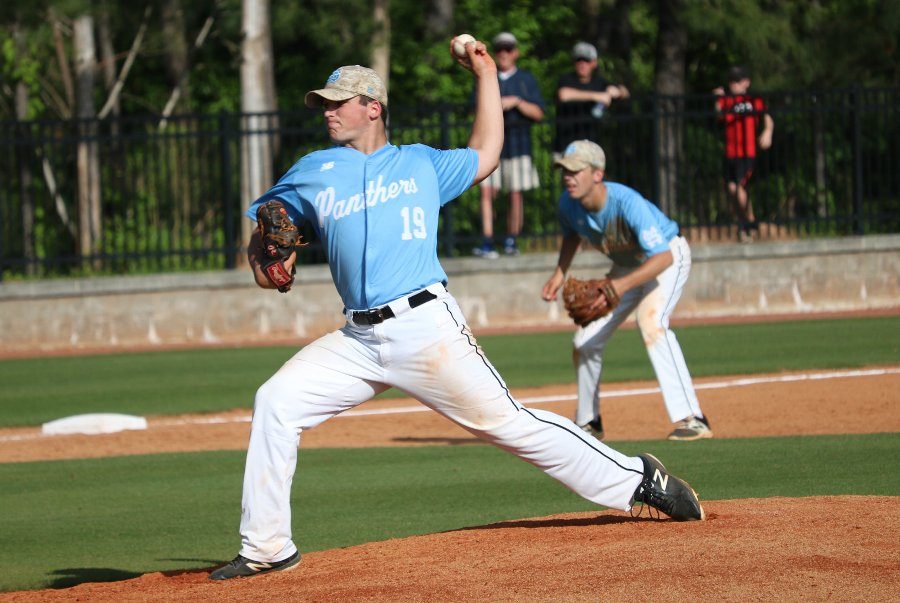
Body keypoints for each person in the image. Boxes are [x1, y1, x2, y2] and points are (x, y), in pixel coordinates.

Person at [209, 42, 704, 582]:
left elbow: (488, 151)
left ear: (373, 107)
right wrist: (267, 259)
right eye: (324, 103)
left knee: (509, 424)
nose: (327, 110)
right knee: (276, 401)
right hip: (357, 339)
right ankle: (267, 546)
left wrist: (487, 73)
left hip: (427, 329)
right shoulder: (313, 170)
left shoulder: (421, 163)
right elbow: (264, 243)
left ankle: (637, 480)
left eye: (338, 101)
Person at [541, 140, 712, 443]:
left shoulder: (625, 202)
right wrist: (559, 272)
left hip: (667, 255)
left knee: (652, 323)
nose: (568, 177)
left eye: (575, 171)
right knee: (585, 341)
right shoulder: (567, 204)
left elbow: (663, 257)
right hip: (627, 267)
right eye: (564, 171)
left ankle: (694, 419)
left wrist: (616, 287)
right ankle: (588, 423)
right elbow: (571, 236)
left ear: (597, 174)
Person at [473, 32, 545, 259]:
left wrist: (517, 102)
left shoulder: (525, 79)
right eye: (500, 49)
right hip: (490, 146)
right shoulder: (485, 77)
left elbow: (539, 113)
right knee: (486, 192)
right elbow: (475, 111)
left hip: (518, 145)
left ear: (515, 53)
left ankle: (512, 240)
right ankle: (487, 241)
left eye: (508, 49)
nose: (503, 53)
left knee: (515, 194)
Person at [713, 65, 774, 243]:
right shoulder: (726, 101)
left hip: (748, 153)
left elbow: (767, 116)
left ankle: (750, 222)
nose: (734, 84)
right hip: (731, 153)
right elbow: (718, 116)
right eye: (732, 80)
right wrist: (717, 99)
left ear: (746, 82)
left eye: (738, 81)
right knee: (732, 190)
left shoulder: (753, 100)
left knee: (738, 188)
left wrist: (768, 131)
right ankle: (745, 223)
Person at [554, 41, 630, 155]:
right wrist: (597, 96)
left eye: (586, 60)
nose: (582, 64)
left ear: (594, 63)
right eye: (578, 60)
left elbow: (625, 93)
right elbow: (564, 95)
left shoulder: (599, 82)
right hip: (567, 145)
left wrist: (617, 91)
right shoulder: (566, 79)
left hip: (592, 145)